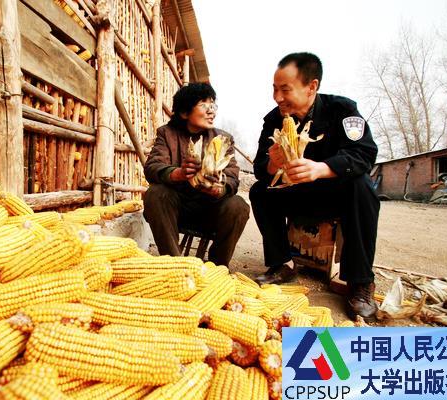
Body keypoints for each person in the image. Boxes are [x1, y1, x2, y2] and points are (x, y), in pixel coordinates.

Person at [250, 52, 380, 321]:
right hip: (295, 195)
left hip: (333, 195)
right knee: (259, 191)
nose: (277, 97)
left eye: (285, 89)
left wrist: (321, 169)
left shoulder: (342, 111)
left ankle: (360, 281)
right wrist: (273, 164)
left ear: (312, 86)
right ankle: (282, 264)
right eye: (274, 89)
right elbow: (260, 169)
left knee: (362, 186)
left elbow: (364, 154)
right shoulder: (273, 120)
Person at [143, 82, 250, 266]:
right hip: (177, 210)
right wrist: (178, 173)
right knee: (155, 193)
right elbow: (152, 167)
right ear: (185, 112)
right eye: (203, 104)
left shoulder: (223, 139)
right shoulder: (167, 134)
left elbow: (232, 176)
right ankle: (175, 265)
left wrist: (219, 188)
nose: (211, 111)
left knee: (238, 205)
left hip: (211, 210)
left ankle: (217, 267)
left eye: (213, 104)